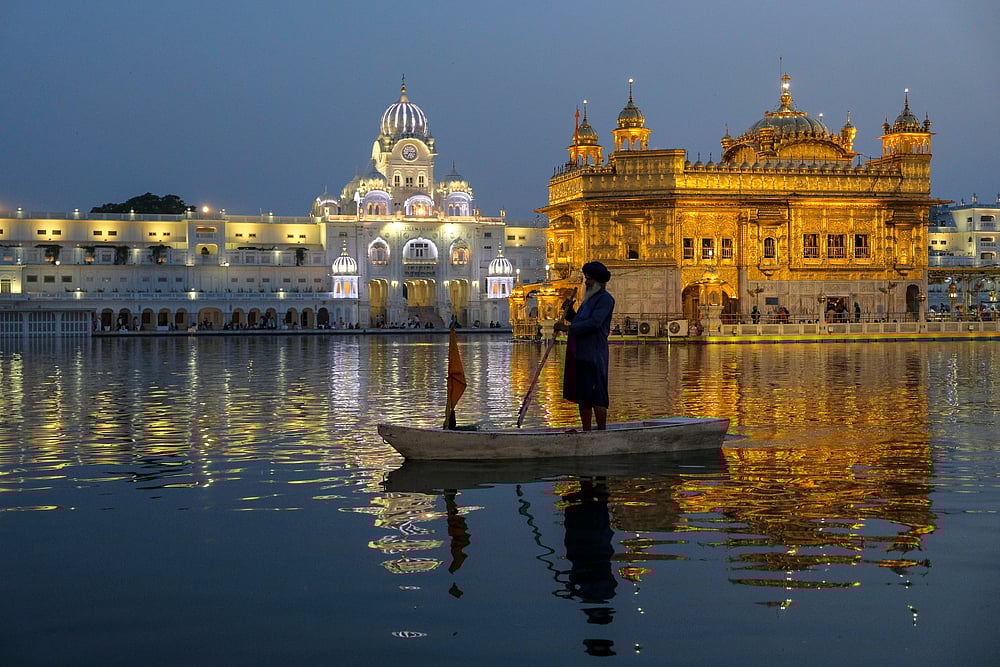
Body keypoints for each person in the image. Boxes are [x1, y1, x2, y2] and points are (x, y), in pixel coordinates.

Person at [553, 261, 615, 431]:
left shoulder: (606, 300)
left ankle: (601, 432)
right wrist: (570, 312)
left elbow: (594, 324)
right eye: (586, 279)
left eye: (589, 279)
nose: (586, 282)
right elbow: (580, 321)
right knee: (584, 395)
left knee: (598, 395)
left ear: (598, 281)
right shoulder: (588, 300)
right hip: (581, 353)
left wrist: (567, 328)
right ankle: (587, 432)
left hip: (595, 354)